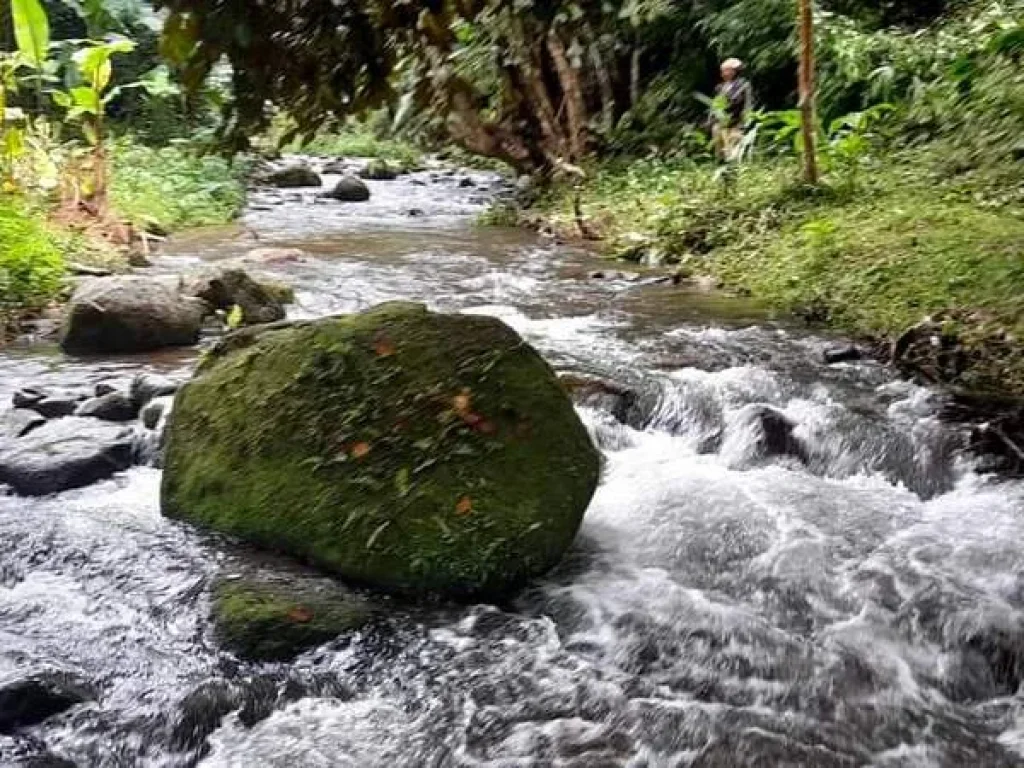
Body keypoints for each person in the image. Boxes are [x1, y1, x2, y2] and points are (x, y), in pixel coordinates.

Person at [711, 58, 753, 163]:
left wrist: (745, 123)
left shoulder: (744, 85)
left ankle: (733, 174)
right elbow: (715, 106)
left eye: (725, 70)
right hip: (720, 125)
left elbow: (748, 105)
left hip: (736, 124)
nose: (723, 73)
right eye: (722, 71)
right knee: (720, 153)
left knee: (733, 154)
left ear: (734, 71)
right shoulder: (719, 88)